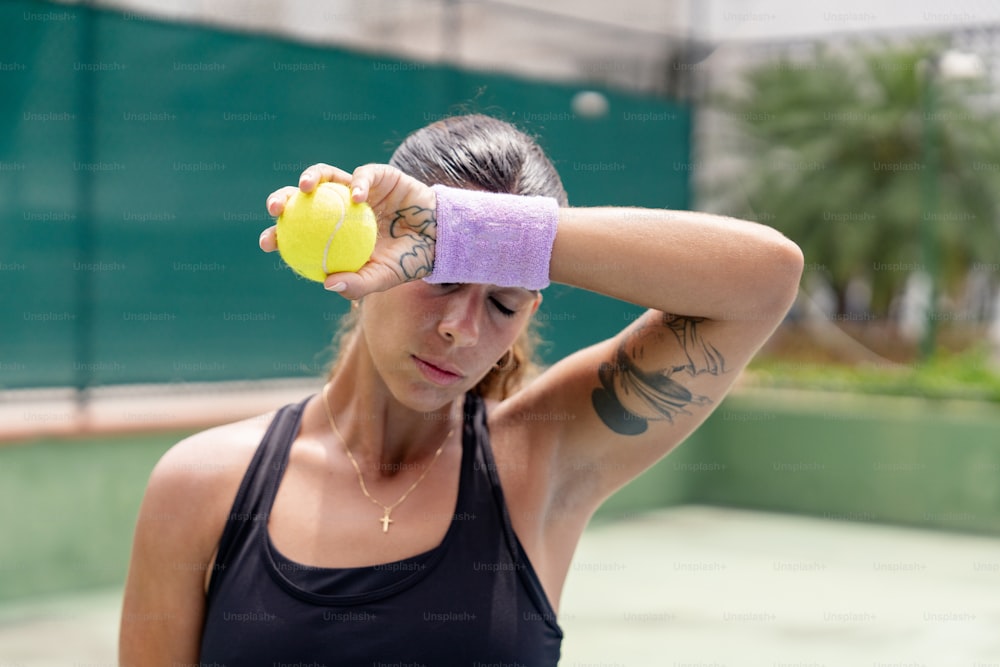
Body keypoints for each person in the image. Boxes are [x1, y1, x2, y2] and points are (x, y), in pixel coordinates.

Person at [119, 114, 803, 665]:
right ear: (366, 256)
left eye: (502, 303)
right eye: (441, 275)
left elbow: (768, 278)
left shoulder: (543, 457)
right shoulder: (199, 484)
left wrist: (466, 233)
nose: (460, 327)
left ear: (528, 313)